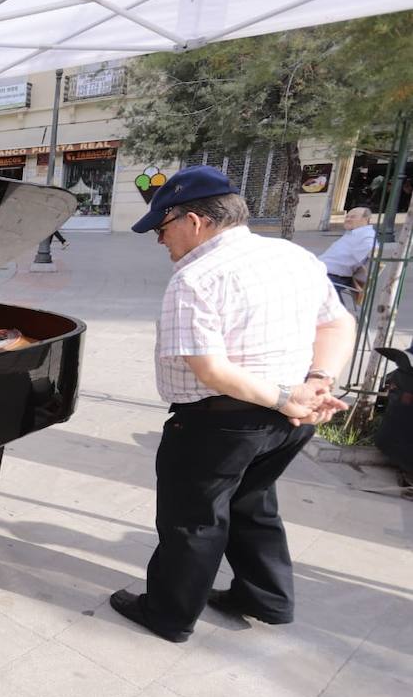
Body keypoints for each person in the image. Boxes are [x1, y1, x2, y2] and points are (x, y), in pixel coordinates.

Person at [110, 165, 355, 643]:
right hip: (290, 420)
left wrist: (290, 399)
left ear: (193, 221)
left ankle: (168, 614)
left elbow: (212, 371)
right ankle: (265, 598)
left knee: (193, 521)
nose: (161, 242)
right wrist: (316, 385)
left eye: (162, 229)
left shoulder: (196, 277)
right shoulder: (294, 255)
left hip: (221, 424)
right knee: (252, 504)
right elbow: (337, 324)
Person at [318, 207, 377, 313]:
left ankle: (339, 318)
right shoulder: (354, 233)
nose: (348, 219)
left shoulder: (367, 236)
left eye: (353, 217)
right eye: (347, 216)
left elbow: (373, 253)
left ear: (366, 219)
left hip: (332, 277)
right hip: (324, 273)